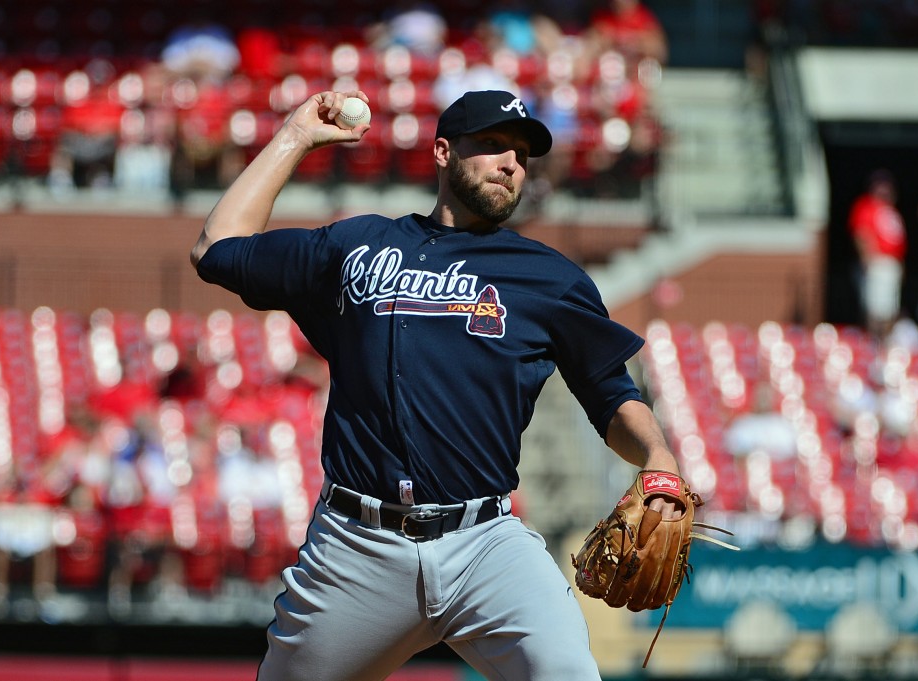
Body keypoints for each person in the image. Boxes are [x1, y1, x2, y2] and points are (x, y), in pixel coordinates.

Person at [190, 88, 683, 681]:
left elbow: (612, 396)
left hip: (486, 546)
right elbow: (215, 248)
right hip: (357, 547)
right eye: (494, 145)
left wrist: (659, 460)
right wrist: (294, 137)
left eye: (523, 155)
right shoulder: (357, 245)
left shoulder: (550, 279)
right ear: (444, 152)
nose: (511, 164)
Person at [848, 169, 907, 339]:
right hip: (877, 262)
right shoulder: (866, 206)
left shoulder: (891, 211)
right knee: (874, 309)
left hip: (891, 263)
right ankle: (872, 344)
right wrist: (867, 258)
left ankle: (884, 344)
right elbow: (862, 233)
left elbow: (897, 241)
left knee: (890, 309)